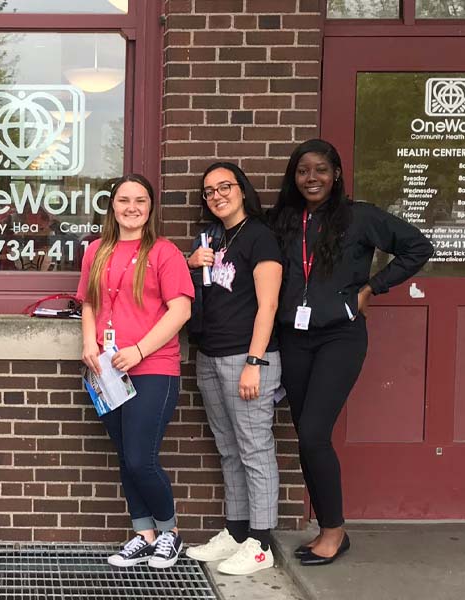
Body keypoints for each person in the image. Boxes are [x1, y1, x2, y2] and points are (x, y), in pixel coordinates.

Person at [270, 139, 433, 566]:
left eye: (321, 170)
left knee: (313, 434)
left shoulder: (359, 217)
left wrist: (371, 288)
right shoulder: (285, 220)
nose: (311, 178)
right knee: (308, 439)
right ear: (294, 177)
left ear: (336, 174)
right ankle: (329, 527)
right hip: (294, 337)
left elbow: (418, 246)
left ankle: (333, 531)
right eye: (303, 171)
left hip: (339, 338)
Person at [77, 174, 194, 569]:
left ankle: (170, 534)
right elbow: (90, 303)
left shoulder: (164, 253)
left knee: (142, 457)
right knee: (126, 457)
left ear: (150, 207)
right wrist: (88, 342)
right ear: (112, 206)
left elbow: (181, 311)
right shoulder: (96, 250)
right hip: (107, 371)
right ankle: (143, 534)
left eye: (140, 200)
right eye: (124, 200)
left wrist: (140, 349)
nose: (132, 207)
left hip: (153, 368)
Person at [185, 163, 283, 575]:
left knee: (255, 450)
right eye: (209, 191)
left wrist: (254, 362)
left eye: (225, 187)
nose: (218, 195)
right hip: (209, 355)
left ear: (242, 189)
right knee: (229, 450)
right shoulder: (212, 238)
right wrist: (191, 264)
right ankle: (237, 532)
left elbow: (269, 305)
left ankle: (261, 544)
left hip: (247, 358)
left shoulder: (260, 236)